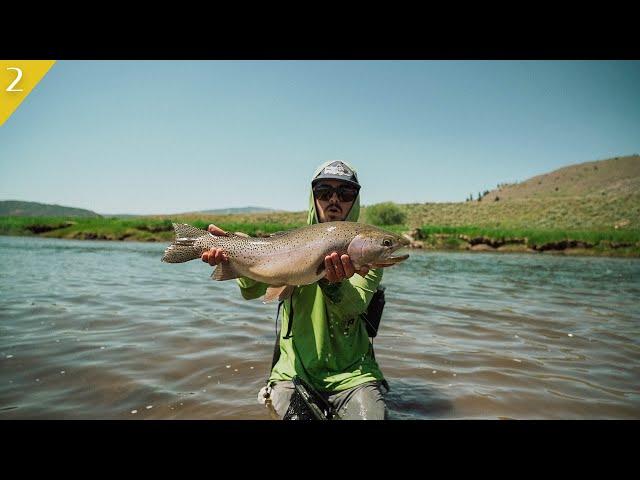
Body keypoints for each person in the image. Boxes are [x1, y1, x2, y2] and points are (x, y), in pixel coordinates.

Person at [201, 160, 388, 420]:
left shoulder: (367, 250)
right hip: (293, 372)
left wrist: (333, 282)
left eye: (345, 193)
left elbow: (354, 307)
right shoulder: (292, 242)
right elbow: (252, 291)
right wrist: (234, 254)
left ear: (355, 199)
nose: (334, 199)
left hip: (354, 374)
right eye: (324, 191)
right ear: (313, 197)